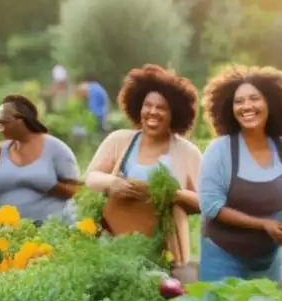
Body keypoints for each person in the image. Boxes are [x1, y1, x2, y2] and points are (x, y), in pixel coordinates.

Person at [85, 65, 202, 269]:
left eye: (161, 107)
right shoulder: (119, 140)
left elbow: (206, 201)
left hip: (166, 253)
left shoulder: (188, 152)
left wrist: (172, 194)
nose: (152, 112)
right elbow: (90, 177)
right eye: (148, 105)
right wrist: (112, 183)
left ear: (174, 114)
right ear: (138, 107)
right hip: (114, 246)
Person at [198, 66, 282, 284]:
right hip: (223, 259)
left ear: (271, 103)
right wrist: (264, 225)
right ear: (229, 108)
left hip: (270, 262)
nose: (247, 106)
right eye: (239, 101)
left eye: (254, 98)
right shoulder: (220, 150)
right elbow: (211, 206)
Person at [0, 95, 80, 223]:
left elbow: (75, 190)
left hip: (50, 232)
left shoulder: (57, 149)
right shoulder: (1, 150)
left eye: (4, 122)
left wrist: (51, 186)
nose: (0, 128)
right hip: (7, 232)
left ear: (21, 120)